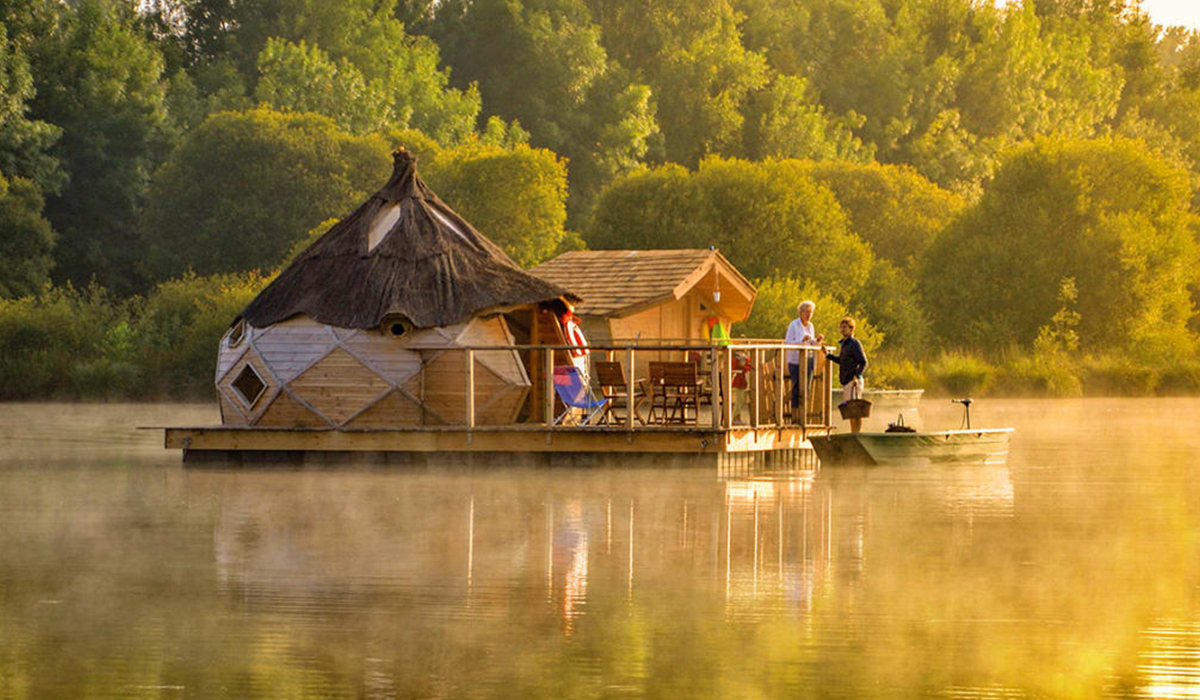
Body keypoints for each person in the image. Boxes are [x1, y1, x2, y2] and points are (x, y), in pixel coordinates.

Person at [827, 316, 868, 433]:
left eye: (845, 327)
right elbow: (841, 360)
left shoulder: (854, 343)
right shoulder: (845, 344)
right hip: (846, 381)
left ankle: (857, 433)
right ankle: (853, 432)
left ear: (851, 329)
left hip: (853, 380)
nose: (842, 330)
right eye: (841, 327)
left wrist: (857, 376)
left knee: (856, 409)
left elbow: (863, 362)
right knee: (850, 410)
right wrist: (828, 355)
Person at [785, 301, 824, 418]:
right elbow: (787, 342)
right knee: (796, 386)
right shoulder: (794, 325)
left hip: (809, 359)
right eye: (807, 312)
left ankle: (804, 414)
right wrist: (801, 341)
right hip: (795, 360)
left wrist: (817, 341)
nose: (809, 315)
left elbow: (811, 343)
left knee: (806, 387)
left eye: (811, 312)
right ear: (800, 313)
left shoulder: (811, 326)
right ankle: (795, 415)